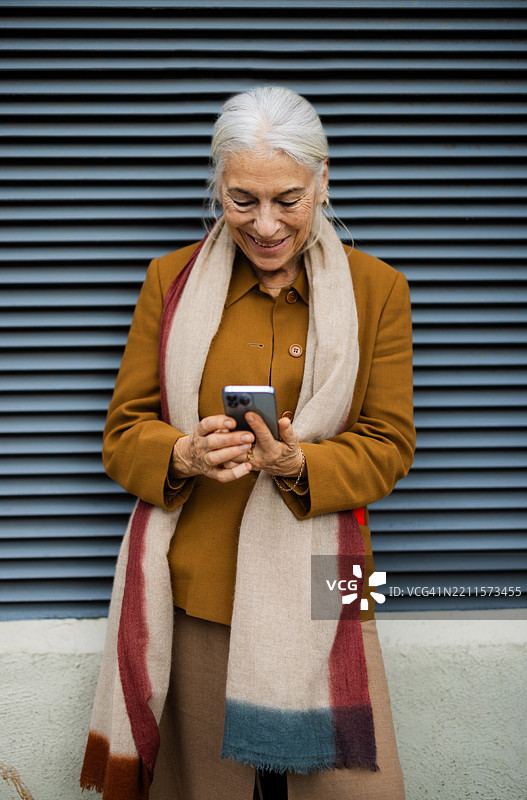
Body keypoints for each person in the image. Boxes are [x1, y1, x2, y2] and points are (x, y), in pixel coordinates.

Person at [80, 86, 415, 800]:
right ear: (217, 187)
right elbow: (122, 434)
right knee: (210, 790)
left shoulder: (377, 290)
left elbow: (390, 445)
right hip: (198, 583)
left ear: (323, 180)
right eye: (242, 200)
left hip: (330, 588)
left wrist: (302, 465)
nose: (265, 225)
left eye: (288, 199)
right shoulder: (168, 282)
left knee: (356, 790)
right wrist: (183, 455)